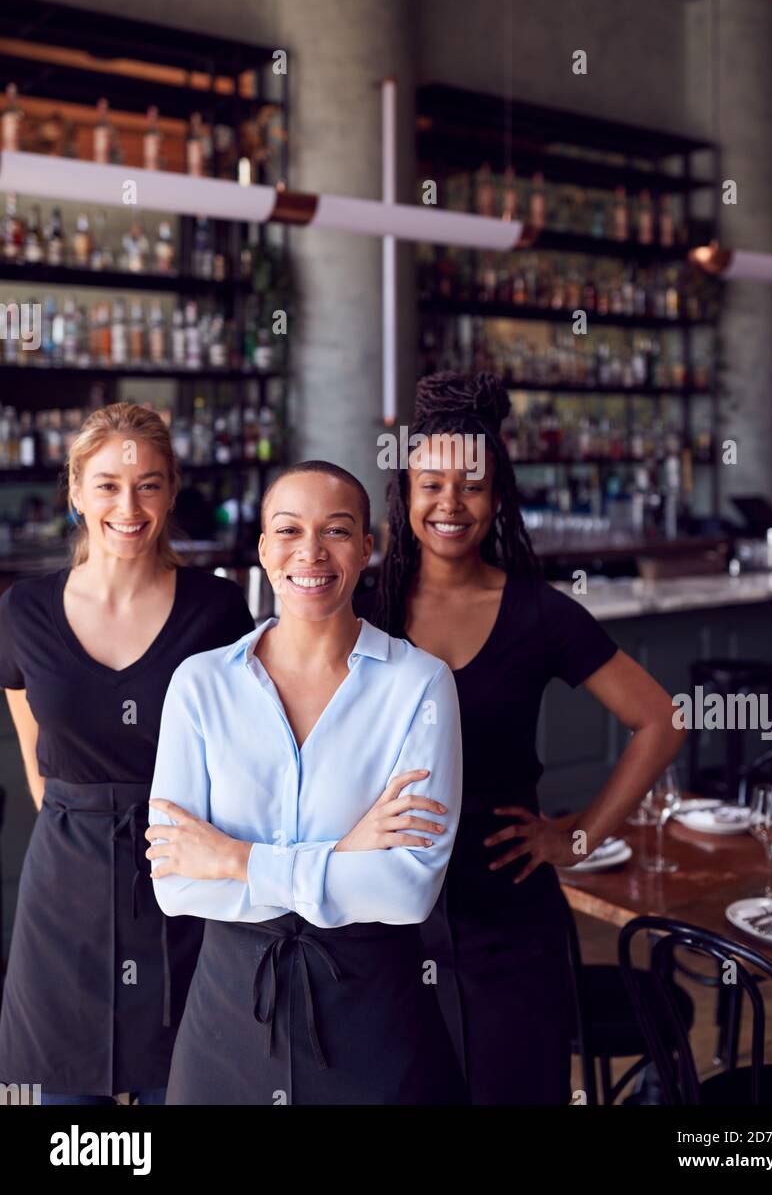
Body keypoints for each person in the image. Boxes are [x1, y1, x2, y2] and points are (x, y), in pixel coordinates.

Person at [367, 372, 685, 1105]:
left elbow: (661, 720)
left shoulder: (539, 613)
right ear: (404, 495)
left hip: (506, 919)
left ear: (498, 497)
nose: (450, 504)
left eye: (471, 487)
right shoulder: (362, 606)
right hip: (382, 918)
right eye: (431, 484)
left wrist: (575, 840)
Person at [145, 461, 465, 1105]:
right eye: (288, 530)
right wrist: (346, 855)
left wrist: (235, 860)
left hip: (376, 1013)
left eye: (337, 531)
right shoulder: (201, 684)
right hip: (229, 1014)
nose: (310, 553)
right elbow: (177, 885)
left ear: (368, 547)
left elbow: (406, 892)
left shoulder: (420, 685)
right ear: (264, 549)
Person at [0, 403, 254, 1106]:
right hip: (65, 891)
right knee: (66, 1112)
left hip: (185, 874)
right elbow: (38, 764)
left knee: (193, 1083)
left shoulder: (217, 610)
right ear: (76, 492)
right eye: (108, 484)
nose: (128, 504)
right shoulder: (24, 611)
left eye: (148, 484)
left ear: (172, 492)